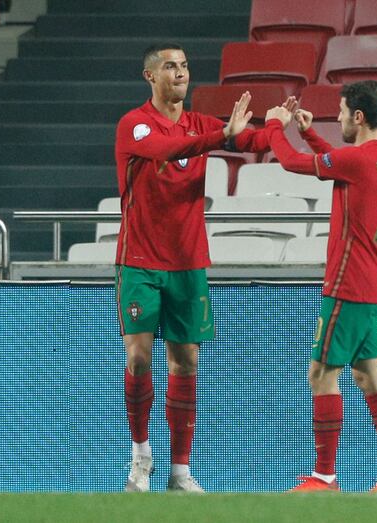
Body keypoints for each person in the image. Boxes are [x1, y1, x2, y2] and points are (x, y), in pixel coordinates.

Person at [115, 42, 293, 493]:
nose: (180, 72)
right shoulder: (134, 125)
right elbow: (166, 148)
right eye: (171, 66)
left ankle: (179, 471)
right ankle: (140, 454)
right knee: (138, 356)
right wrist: (223, 136)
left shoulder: (199, 124)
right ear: (149, 76)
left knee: (186, 360)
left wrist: (275, 126)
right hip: (138, 258)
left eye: (185, 66)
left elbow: (247, 140)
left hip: (188, 260)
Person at [264, 80, 377, 492]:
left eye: (342, 111)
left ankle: (325, 475)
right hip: (372, 282)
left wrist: (274, 128)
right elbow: (340, 161)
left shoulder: (357, 160)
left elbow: (292, 164)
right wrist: (309, 132)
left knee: (321, 373)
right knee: (371, 377)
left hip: (348, 281)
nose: (339, 118)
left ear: (359, 116)